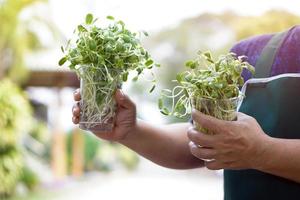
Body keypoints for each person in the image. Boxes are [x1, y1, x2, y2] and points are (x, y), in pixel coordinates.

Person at [72, 25, 300, 200]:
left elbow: (248, 147)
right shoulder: (249, 55)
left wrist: (262, 151)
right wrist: (130, 131)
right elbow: (200, 145)